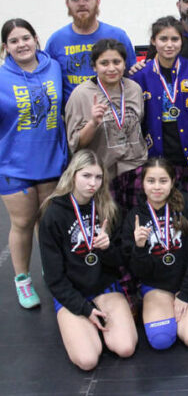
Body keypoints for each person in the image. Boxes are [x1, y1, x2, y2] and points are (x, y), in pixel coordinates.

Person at [38, 150, 137, 371]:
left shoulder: (108, 209)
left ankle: (97, 327)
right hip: (71, 292)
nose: (93, 183)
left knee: (125, 347)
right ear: (72, 175)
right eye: (86, 176)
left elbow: (122, 259)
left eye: (98, 177)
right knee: (88, 360)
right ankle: (82, 326)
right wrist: (83, 308)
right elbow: (54, 278)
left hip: (105, 287)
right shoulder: (53, 214)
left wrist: (108, 248)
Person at [0, 18, 68, 309]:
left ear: (36, 39)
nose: (22, 44)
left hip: (52, 160)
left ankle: (49, 270)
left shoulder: (53, 66)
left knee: (47, 222)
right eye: (14, 41)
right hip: (15, 165)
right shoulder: (2, 78)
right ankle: (23, 280)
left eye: (25, 38)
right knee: (23, 222)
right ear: (5, 47)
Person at [131, 16, 188, 220]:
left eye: (175, 39)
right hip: (157, 158)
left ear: (181, 41)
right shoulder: (140, 76)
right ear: (153, 41)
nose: (169, 45)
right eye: (163, 39)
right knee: (161, 215)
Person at [122, 158, 188, 350]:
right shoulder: (135, 217)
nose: (157, 187)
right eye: (151, 181)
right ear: (142, 184)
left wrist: (185, 294)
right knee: (161, 341)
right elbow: (138, 271)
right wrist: (140, 247)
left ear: (172, 182)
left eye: (163, 181)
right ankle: (164, 312)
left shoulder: (187, 206)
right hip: (156, 287)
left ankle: (186, 310)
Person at [65, 38, 147, 211]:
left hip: (135, 169)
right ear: (94, 67)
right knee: (108, 226)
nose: (111, 68)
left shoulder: (134, 88)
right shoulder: (81, 95)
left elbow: (139, 123)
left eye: (117, 62)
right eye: (104, 63)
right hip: (103, 174)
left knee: (135, 225)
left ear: (125, 64)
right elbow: (76, 144)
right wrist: (93, 123)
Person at [45, 0, 136, 102]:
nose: (81, 3)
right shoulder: (56, 41)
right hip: (75, 115)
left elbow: (132, 75)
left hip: (113, 114)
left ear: (97, 1)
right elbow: (49, 83)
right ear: (67, 4)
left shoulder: (118, 36)